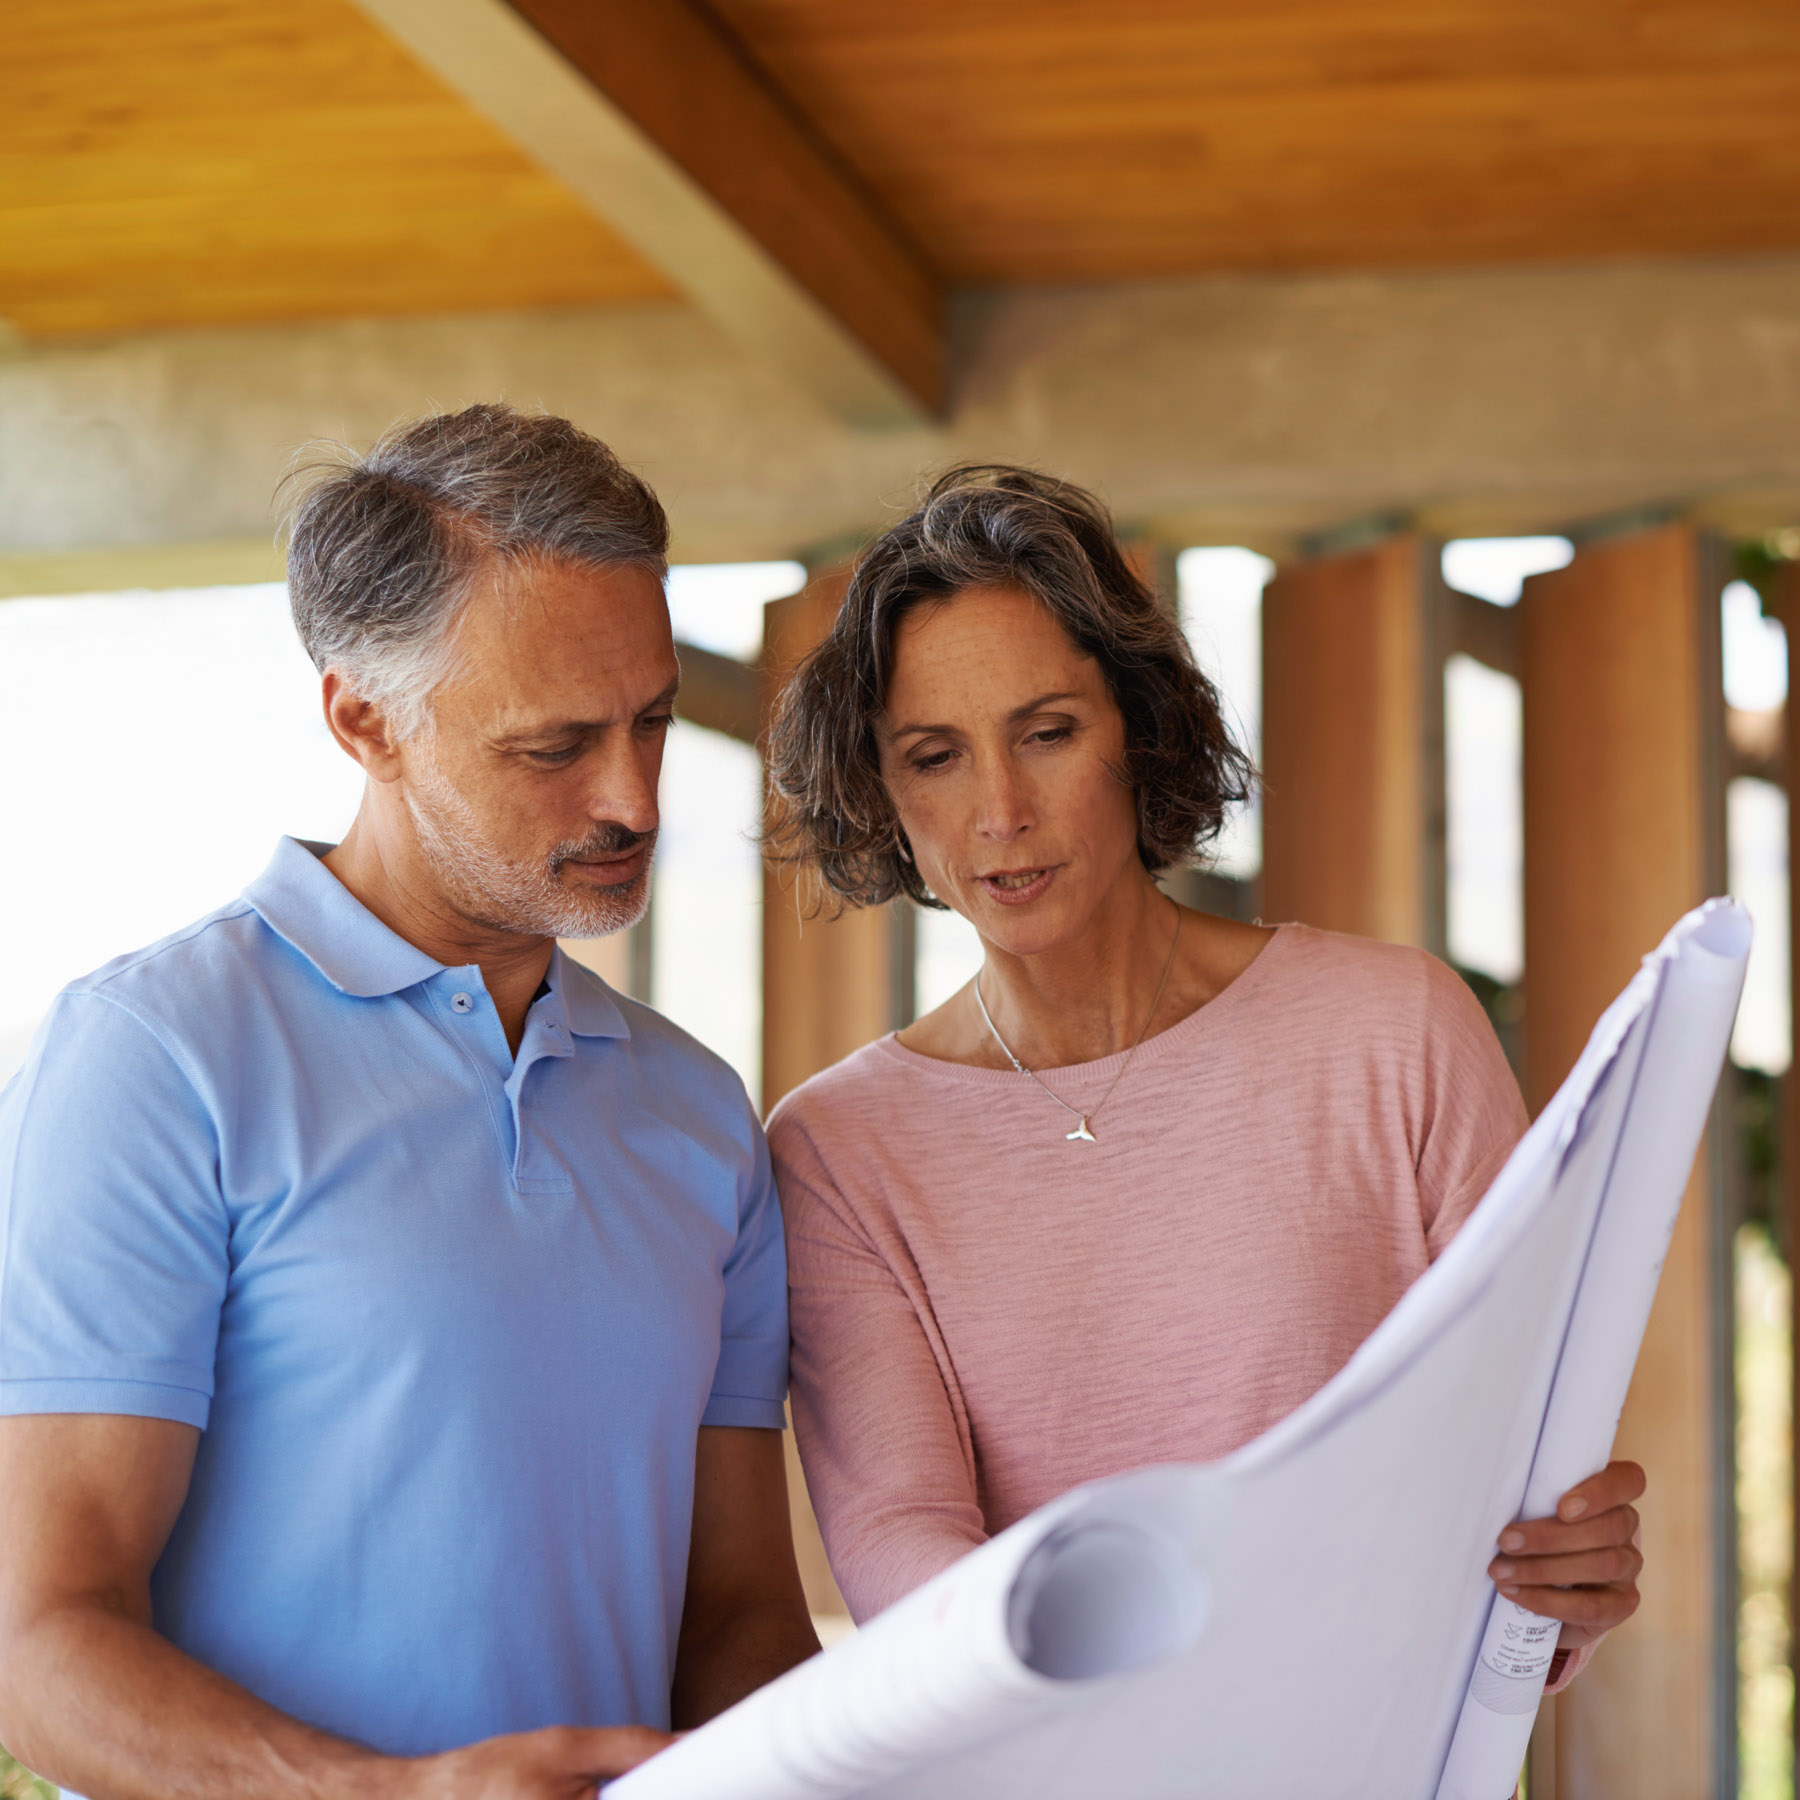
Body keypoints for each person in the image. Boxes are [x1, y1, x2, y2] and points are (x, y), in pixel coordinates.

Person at [0, 405, 817, 1800]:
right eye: (554, 746)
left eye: (655, 721)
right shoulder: (155, 1056)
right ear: (364, 719)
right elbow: (39, 1643)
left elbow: (736, 1620)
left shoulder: (697, 1111)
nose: (633, 798)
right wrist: (391, 1796)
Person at [764, 465, 1644, 1694]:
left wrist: (1567, 1578)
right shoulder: (838, 1150)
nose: (1000, 811)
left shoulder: (1395, 1032)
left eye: (1047, 733)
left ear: (1137, 725)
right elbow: (906, 1557)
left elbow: (1524, 1464)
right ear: (884, 791)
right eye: (935, 756)